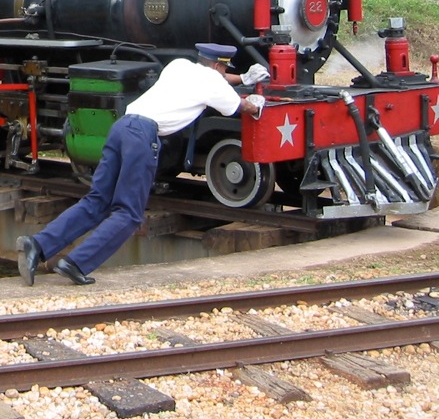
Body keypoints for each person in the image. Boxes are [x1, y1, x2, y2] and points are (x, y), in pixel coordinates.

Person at [15, 43, 264, 286]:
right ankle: (76, 263)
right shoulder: (212, 83)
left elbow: (215, 80)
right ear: (219, 67)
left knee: (97, 200)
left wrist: (241, 78)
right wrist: (255, 104)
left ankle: (36, 245)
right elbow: (238, 105)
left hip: (122, 127)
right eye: (225, 70)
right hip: (142, 136)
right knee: (129, 213)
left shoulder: (179, 66)